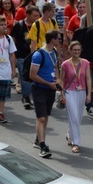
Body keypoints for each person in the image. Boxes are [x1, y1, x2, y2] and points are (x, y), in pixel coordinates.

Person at [30, 30, 61, 158]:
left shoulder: (54, 52)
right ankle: (42, 146)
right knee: (41, 117)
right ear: (52, 39)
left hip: (51, 89)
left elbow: (55, 68)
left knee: (46, 116)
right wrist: (48, 84)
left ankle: (39, 138)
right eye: (58, 38)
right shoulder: (38, 55)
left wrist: (57, 81)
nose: (60, 40)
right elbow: (32, 75)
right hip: (40, 89)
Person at [59, 41, 91, 153]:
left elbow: (88, 79)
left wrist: (89, 94)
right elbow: (61, 80)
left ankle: (69, 134)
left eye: (78, 49)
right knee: (74, 117)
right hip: (69, 92)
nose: (77, 51)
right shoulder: (65, 64)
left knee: (78, 117)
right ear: (70, 50)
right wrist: (62, 94)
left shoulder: (86, 63)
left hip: (81, 91)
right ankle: (75, 143)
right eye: (74, 50)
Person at [10, 5, 40, 109]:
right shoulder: (19, 25)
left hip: (36, 55)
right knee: (24, 76)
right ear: (27, 15)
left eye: (38, 15)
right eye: (34, 15)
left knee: (35, 76)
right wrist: (12, 53)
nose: (37, 18)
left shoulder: (39, 25)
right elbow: (13, 39)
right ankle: (26, 97)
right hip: (22, 54)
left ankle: (36, 97)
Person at [0, 17, 17, 124]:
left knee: (2, 93)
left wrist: (13, 69)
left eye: (5, 24)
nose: (4, 27)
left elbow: (12, 54)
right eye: (1, 25)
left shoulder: (9, 39)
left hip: (5, 70)